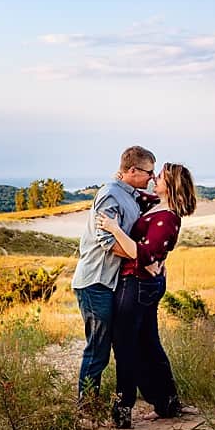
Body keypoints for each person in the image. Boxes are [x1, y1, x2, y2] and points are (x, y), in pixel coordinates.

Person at [96, 162, 198, 429]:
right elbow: (134, 193)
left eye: (160, 176)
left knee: (127, 347)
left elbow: (143, 254)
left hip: (137, 285)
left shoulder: (168, 218)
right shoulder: (157, 204)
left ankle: (123, 411)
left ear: (171, 185)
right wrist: (119, 176)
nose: (154, 178)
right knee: (149, 344)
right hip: (144, 283)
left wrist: (114, 228)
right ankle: (166, 403)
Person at [70, 146, 158, 403]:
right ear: (132, 170)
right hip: (95, 282)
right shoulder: (110, 195)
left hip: (110, 283)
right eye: (148, 173)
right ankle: (86, 409)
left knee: (116, 346)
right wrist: (142, 259)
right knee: (98, 349)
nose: (152, 179)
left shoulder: (131, 194)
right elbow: (107, 240)